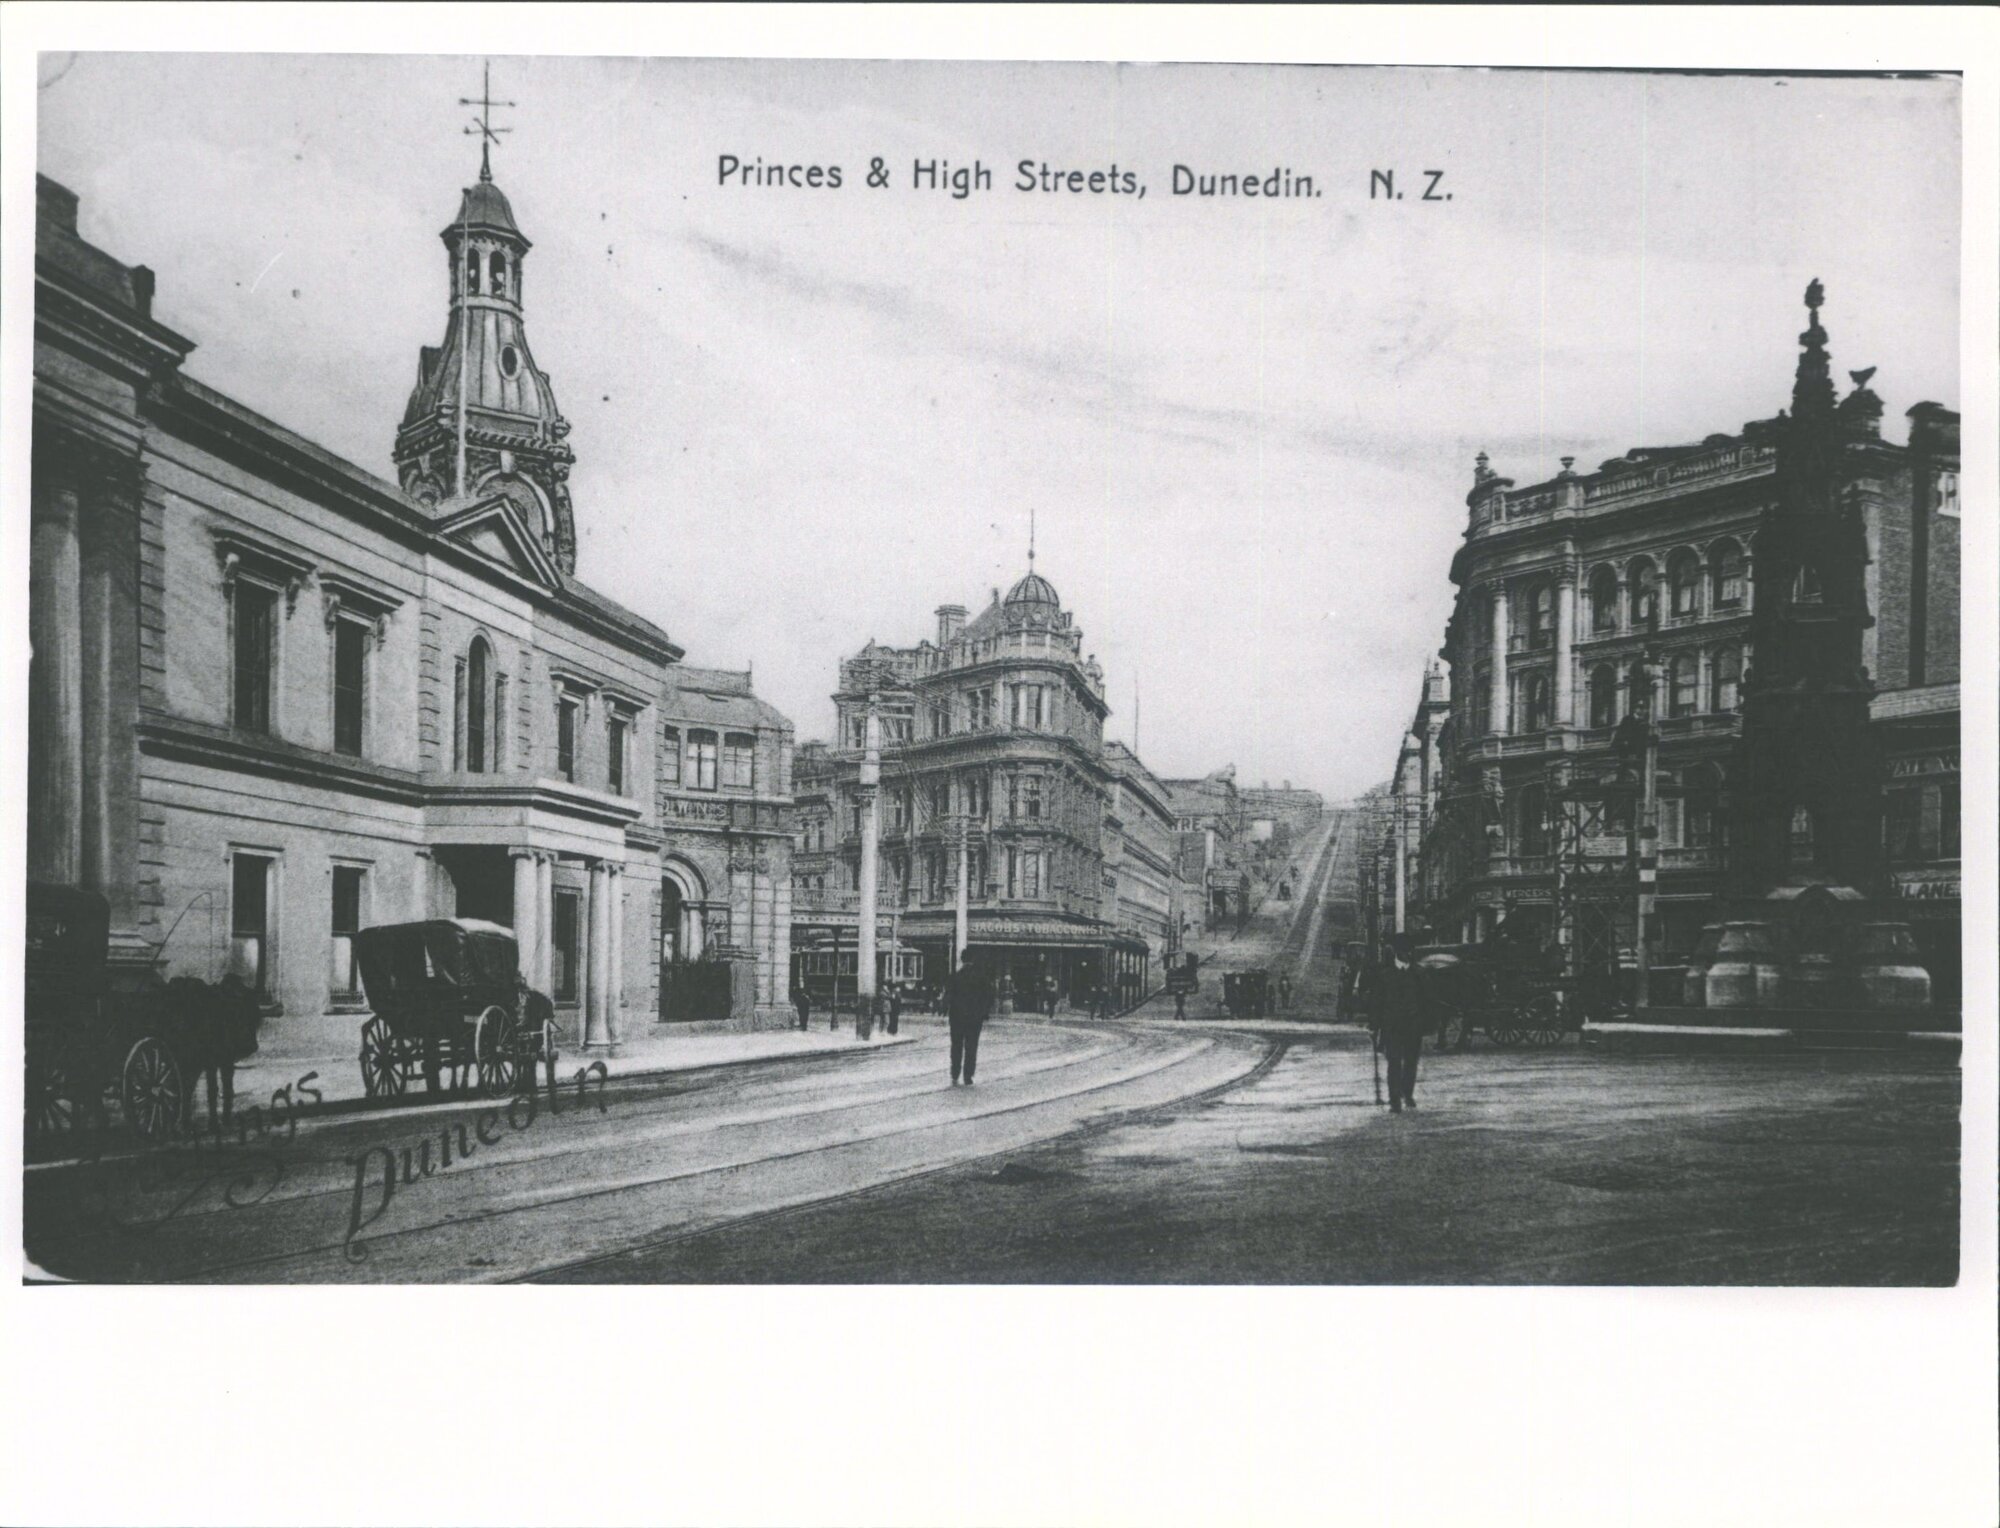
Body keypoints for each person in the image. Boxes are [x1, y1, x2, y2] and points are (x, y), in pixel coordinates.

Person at [1374, 932, 1436, 1113]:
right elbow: (1377, 1002)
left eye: (1410, 951)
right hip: (1391, 1026)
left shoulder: (1420, 974)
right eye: (1403, 951)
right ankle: (1395, 1100)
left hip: (1413, 1026)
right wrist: (1374, 1025)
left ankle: (1407, 1093)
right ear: (1396, 952)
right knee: (1394, 1062)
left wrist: (1428, 1024)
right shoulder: (1385, 975)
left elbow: (1428, 1001)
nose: (1407, 954)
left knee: (1410, 1062)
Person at [945, 958, 991, 1086]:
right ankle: (968, 1075)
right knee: (971, 1047)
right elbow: (988, 996)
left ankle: (955, 1073)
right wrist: (984, 1013)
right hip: (974, 1019)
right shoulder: (981, 978)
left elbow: (948, 996)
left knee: (956, 1046)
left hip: (957, 1018)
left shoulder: (955, 976)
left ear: (962, 961)